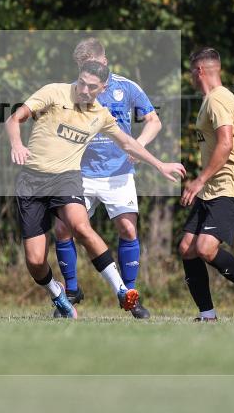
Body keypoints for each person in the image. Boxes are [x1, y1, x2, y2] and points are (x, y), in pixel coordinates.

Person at [5, 60, 185, 318]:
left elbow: (128, 144)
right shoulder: (54, 92)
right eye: (82, 83)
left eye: (92, 87)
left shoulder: (100, 115)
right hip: (32, 181)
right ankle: (57, 293)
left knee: (80, 227)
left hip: (66, 179)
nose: (84, 90)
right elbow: (15, 118)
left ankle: (122, 291)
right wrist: (17, 144)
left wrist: (159, 164)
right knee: (35, 261)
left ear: (103, 88)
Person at [52, 38, 162, 319]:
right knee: (63, 229)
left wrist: (139, 146)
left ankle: (130, 295)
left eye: (91, 66)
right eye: (81, 68)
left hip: (118, 174)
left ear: (104, 61)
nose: (87, 75)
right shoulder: (73, 92)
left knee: (127, 229)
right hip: (81, 173)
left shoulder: (126, 88)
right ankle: (72, 291)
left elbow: (154, 121)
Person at [179, 48, 234, 322]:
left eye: (191, 72)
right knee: (187, 248)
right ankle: (207, 315)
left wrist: (199, 180)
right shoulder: (211, 100)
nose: (190, 77)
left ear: (199, 71)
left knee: (205, 248)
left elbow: (226, 144)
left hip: (231, 187)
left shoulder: (218, 99)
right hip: (213, 189)